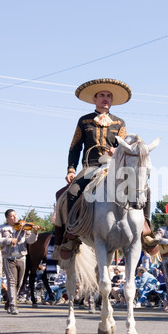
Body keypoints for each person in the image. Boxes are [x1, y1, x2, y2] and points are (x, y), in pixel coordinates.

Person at [56, 78, 131, 259]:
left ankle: (146, 232)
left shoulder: (119, 122)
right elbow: (75, 147)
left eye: (109, 96)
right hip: (90, 167)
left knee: (143, 189)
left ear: (112, 101)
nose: (105, 99)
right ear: (95, 100)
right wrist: (71, 170)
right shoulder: (84, 121)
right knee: (73, 191)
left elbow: (126, 147)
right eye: (102, 95)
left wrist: (118, 149)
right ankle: (72, 235)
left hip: (113, 167)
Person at [0, 209, 39, 315]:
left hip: (22, 257)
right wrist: (9, 241)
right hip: (8, 258)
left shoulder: (23, 227)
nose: (15, 218)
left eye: (15, 215)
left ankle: (9, 301)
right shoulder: (1, 228)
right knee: (12, 281)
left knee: (19, 283)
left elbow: (30, 241)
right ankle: (13, 305)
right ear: (7, 218)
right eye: (12, 216)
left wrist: (35, 233)